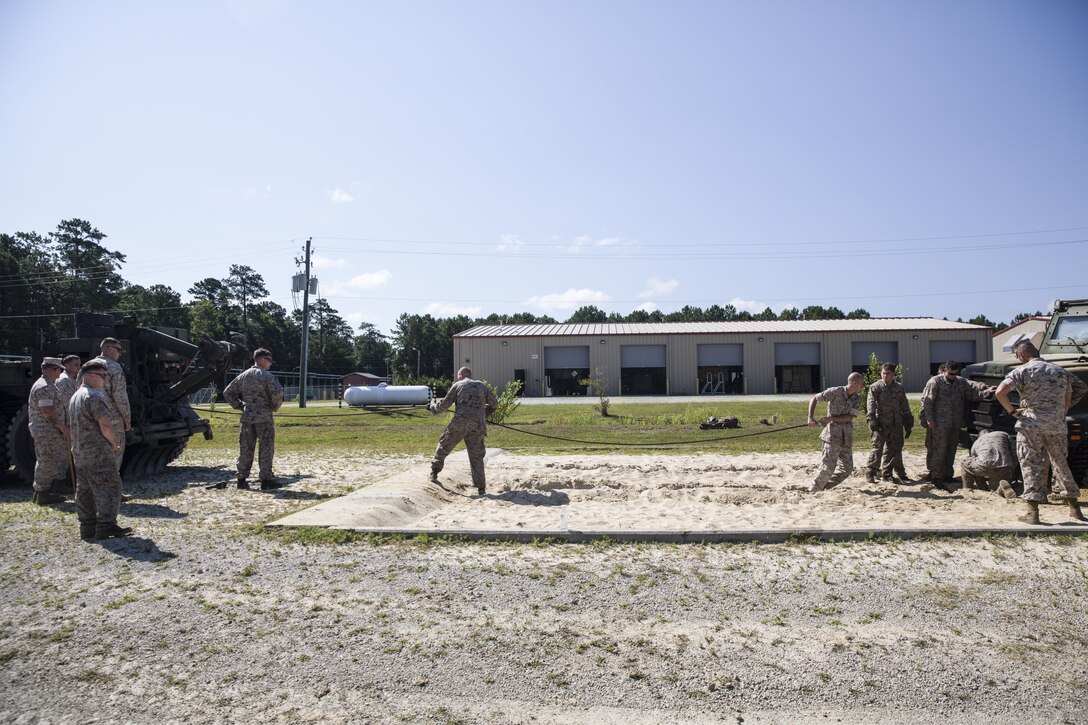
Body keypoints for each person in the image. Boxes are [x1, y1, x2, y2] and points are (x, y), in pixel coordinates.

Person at [995, 340, 1088, 524]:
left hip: (1031, 423)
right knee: (1061, 464)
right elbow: (1081, 388)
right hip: (1056, 424)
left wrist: (1013, 412)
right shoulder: (1060, 371)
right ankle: (1075, 509)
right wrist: (1063, 409)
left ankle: (1033, 512)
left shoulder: (1021, 371)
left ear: (1022, 355)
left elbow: (1000, 392)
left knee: (1030, 464)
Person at [69, 360, 131, 540]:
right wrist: (113, 443)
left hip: (80, 451)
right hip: (97, 451)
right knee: (110, 487)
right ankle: (106, 525)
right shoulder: (94, 396)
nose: (106, 381)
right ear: (90, 376)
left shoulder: (76, 396)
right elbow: (105, 424)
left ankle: (87, 527)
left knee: (85, 490)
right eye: (103, 377)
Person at [918, 361, 993, 490]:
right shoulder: (935, 382)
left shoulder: (960, 382)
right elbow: (927, 402)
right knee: (939, 450)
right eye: (950, 373)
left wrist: (986, 390)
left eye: (955, 373)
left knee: (951, 450)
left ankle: (947, 474)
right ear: (945, 370)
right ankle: (936, 477)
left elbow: (972, 390)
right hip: (939, 423)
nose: (953, 376)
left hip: (955, 422)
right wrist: (929, 419)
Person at [428, 367, 498, 495]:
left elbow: (445, 404)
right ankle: (481, 487)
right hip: (478, 426)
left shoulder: (458, 385)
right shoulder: (482, 386)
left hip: (460, 424)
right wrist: (482, 414)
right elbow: (494, 404)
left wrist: (433, 408)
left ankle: (434, 473)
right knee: (477, 456)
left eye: (458, 375)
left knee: (444, 446)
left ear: (461, 375)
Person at [223, 348, 284, 490]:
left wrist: (239, 406)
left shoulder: (244, 375)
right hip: (263, 417)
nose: (270, 363)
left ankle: (241, 479)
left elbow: (228, 392)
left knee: (245, 448)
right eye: (269, 360)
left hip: (247, 417)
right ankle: (266, 479)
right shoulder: (266, 375)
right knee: (266, 448)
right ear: (261, 359)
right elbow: (277, 393)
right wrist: (274, 407)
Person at [807, 372, 864, 492]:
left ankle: (824, 487)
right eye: (861, 384)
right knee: (827, 468)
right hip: (832, 437)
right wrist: (810, 418)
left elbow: (850, 417)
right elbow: (815, 398)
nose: (862, 387)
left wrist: (831, 418)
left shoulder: (857, 398)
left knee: (847, 469)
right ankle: (814, 489)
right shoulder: (835, 392)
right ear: (854, 383)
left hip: (846, 438)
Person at [28, 357, 71, 506]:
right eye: (58, 369)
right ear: (51, 369)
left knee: (57, 457)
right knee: (46, 460)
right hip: (46, 431)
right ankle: (42, 492)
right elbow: (47, 412)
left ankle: (57, 486)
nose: (60, 373)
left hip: (51, 431)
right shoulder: (43, 387)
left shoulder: (50, 385)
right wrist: (62, 427)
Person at [865, 362, 914, 484]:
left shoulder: (899, 387)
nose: (885, 375)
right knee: (877, 448)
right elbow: (870, 403)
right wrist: (871, 418)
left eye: (888, 373)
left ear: (893, 375)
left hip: (896, 423)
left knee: (894, 449)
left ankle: (888, 474)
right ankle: (871, 472)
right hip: (880, 423)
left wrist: (908, 419)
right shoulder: (875, 387)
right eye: (883, 373)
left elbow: (904, 404)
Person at [91, 337, 131, 470]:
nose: (119, 354)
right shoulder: (114, 367)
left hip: (90, 420)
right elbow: (120, 397)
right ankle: (110, 489)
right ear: (108, 348)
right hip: (111, 419)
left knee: (95, 456)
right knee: (114, 453)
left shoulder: (87, 367)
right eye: (118, 350)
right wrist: (127, 419)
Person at [960, 428, 1019, 499]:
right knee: (999, 484)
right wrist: (1012, 469)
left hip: (984, 467)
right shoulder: (1003, 434)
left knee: (965, 463)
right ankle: (1000, 490)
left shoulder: (977, 442)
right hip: (1004, 468)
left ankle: (967, 488)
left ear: (979, 436)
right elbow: (1015, 452)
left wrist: (980, 483)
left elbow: (974, 465)